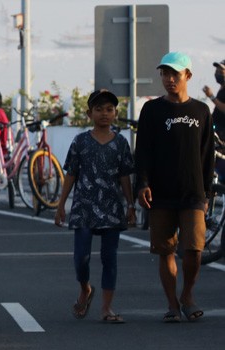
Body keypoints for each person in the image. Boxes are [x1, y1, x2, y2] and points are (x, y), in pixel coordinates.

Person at [134, 52, 215, 323]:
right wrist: (142, 184)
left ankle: (188, 295)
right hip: (161, 193)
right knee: (165, 250)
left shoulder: (201, 111)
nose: (169, 79)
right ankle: (172, 304)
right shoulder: (152, 110)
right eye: (164, 74)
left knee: (194, 250)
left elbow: (207, 154)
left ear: (187, 76)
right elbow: (142, 150)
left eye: (175, 74)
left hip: (193, 193)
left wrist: (206, 194)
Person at [54, 89, 136, 324]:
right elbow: (71, 173)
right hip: (84, 207)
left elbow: (124, 176)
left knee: (110, 257)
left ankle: (106, 308)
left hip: (111, 207)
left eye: (109, 109)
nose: (104, 113)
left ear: (116, 113)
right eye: (99, 109)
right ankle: (85, 288)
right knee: (81, 257)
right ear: (90, 113)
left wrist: (130, 205)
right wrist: (61, 205)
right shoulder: (80, 141)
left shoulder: (120, 143)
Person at [202, 59, 225, 141]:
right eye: (216, 71)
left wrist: (211, 96)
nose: (217, 74)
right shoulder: (222, 88)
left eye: (221, 71)